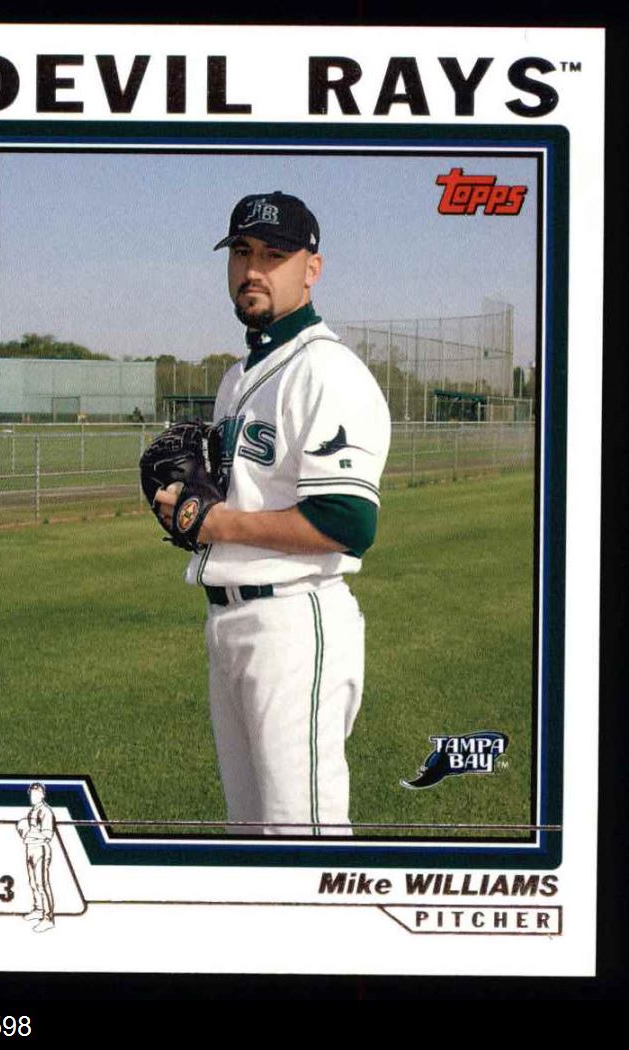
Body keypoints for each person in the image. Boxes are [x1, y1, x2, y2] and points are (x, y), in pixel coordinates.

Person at [155, 191, 390, 836]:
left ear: (311, 269)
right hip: (229, 624)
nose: (253, 269)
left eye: (274, 255)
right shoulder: (238, 377)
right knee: (250, 836)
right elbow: (234, 502)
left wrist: (216, 524)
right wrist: (187, 510)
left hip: (292, 624)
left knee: (302, 836)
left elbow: (346, 522)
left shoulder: (326, 370)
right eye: (242, 252)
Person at [16, 782, 55, 931]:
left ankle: (48, 918)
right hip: (30, 848)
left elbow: (47, 834)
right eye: (31, 794)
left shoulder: (45, 811)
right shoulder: (32, 811)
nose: (33, 796)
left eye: (36, 794)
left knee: (42, 884)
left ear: (42, 795)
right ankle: (38, 910)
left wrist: (28, 834)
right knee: (33, 882)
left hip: (40, 849)